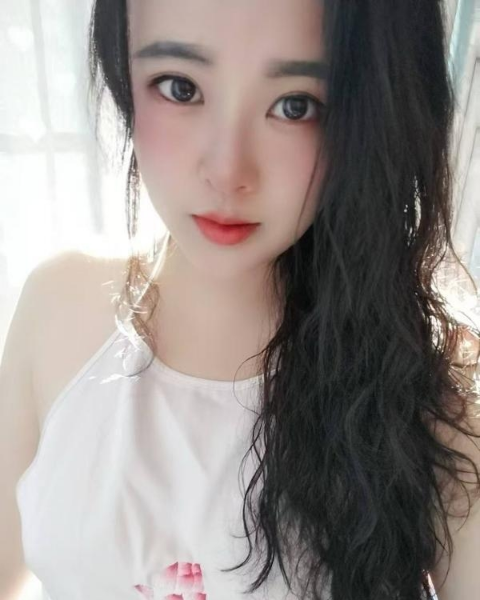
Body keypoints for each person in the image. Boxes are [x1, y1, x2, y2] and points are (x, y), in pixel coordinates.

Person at [1, 0, 480, 598]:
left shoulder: (435, 396)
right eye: (180, 87)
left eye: (295, 105)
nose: (227, 171)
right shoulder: (57, 308)